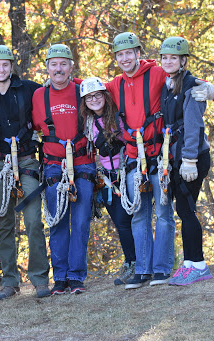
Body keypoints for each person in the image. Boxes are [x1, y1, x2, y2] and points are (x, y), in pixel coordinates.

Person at [103, 32, 214, 289]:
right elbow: (88, 89)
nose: (124, 58)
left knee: (166, 211)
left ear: (138, 53)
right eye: (119, 54)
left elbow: (188, 81)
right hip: (135, 157)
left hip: (163, 155)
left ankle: (164, 269)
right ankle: (143, 270)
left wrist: (208, 88)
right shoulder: (114, 85)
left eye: (129, 52)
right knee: (140, 213)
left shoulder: (157, 72)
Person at [0, 45, 51, 300]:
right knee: (4, 223)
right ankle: (10, 281)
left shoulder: (30, 89)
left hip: (27, 162)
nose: (1, 69)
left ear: (11, 66)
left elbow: (56, 96)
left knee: (33, 222)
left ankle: (40, 279)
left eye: (5, 64)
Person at [32, 44, 96, 295]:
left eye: (63, 64)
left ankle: (76, 276)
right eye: (53, 64)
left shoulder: (83, 91)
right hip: (53, 167)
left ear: (71, 66)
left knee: (80, 222)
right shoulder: (38, 96)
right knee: (57, 222)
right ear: (47, 67)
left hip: (83, 164)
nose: (58, 69)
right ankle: (60, 277)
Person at [158, 37, 212, 285]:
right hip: (176, 156)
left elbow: (193, 125)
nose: (168, 61)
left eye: (173, 58)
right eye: (165, 57)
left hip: (191, 157)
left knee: (186, 210)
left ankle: (199, 264)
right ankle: (189, 262)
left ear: (183, 60)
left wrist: (189, 159)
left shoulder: (192, 87)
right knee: (183, 210)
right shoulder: (169, 84)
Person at [79, 77, 136, 286]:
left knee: (134, 219)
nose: (94, 100)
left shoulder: (119, 115)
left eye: (97, 95)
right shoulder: (88, 122)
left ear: (105, 95)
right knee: (120, 222)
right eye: (89, 97)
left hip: (126, 170)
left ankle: (141, 262)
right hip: (107, 178)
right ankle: (131, 261)